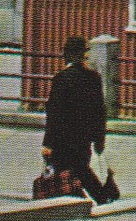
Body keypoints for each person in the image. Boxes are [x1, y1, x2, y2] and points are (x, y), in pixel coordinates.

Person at [42, 36, 112, 205]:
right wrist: (99, 139)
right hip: (84, 139)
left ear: (67, 55)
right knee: (81, 171)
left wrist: (48, 144)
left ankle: (90, 201)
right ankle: (100, 198)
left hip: (63, 141)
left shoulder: (61, 79)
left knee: (63, 176)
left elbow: (55, 114)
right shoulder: (93, 78)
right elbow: (99, 111)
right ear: (83, 55)